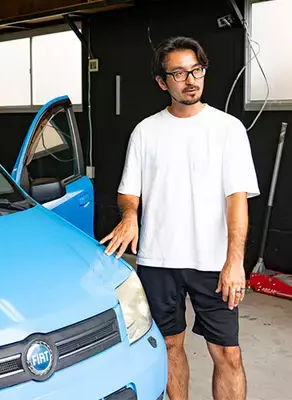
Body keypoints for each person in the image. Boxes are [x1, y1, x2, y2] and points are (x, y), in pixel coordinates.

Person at [100, 36, 259, 400]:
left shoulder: (228, 129)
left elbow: (237, 199)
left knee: (228, 353)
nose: (191, 80)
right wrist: (130, 216)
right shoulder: (145, 131)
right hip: (158, 261)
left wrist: (235, 261)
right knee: (170, 345)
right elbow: (129, 190)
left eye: (196, 70)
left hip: (213, 262)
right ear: (162, 82)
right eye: (179, 73)